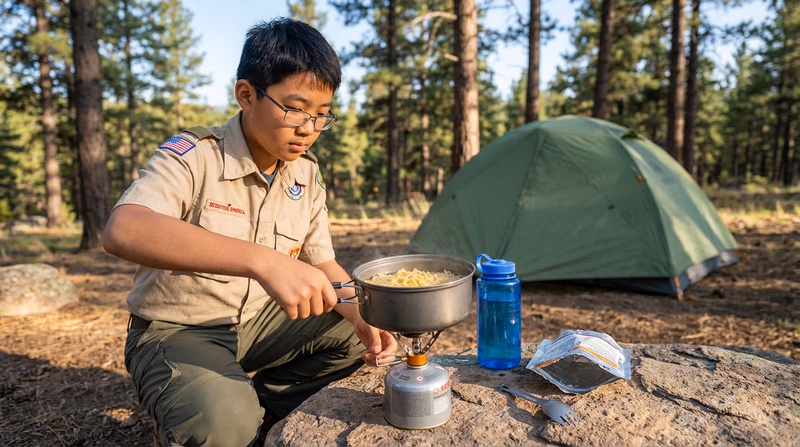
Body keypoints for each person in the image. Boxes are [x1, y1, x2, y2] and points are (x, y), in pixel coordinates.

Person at [103, 17, 397, 447]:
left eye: (321, 115)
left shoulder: (305, 175)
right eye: (295, 109)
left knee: (353, 341)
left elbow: (323, 262)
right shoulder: (195, 156)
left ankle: (264, 418)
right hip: (182, 328)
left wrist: (360, 315)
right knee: (220, 424)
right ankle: (218, 413)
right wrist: (262, 260)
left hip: (261, 324)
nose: (309, 129)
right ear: (246, 94)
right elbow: (124, 228)